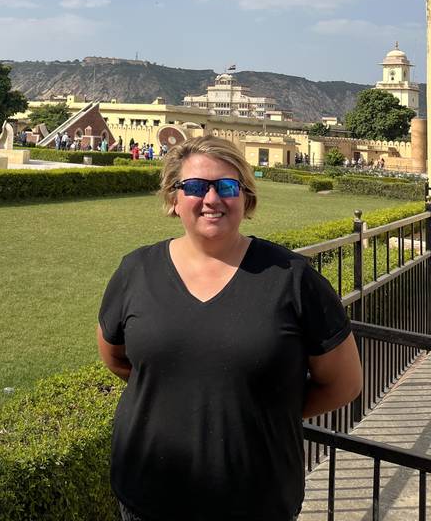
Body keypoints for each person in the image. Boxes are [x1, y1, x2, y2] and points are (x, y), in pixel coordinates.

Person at [97, 135, 362, 521]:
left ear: (246, 197)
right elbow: (116, 359)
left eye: (226, 186)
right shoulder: (137, 271)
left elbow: (344, 383)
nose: (211, 199)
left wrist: (266, 409)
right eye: (193, 187)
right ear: (173, 199)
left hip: (255, 499)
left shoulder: (291, 278)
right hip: (147, 497)